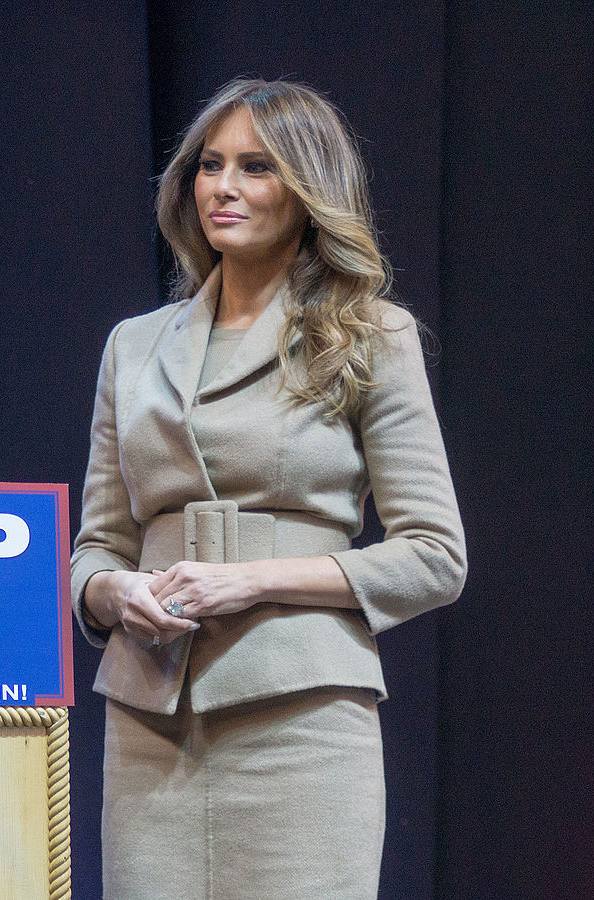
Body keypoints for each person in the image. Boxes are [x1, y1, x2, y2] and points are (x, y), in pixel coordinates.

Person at [71, 78, 466, 898]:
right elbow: (95, 547)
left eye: (256, 167)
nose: (223, 186)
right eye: (210, 165)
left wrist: (251, 579)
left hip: (301, 717)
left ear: (307, 188)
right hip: (151, 718)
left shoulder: (369, 335)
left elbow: (434, 557)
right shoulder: (133, 347)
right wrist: (113, 591)